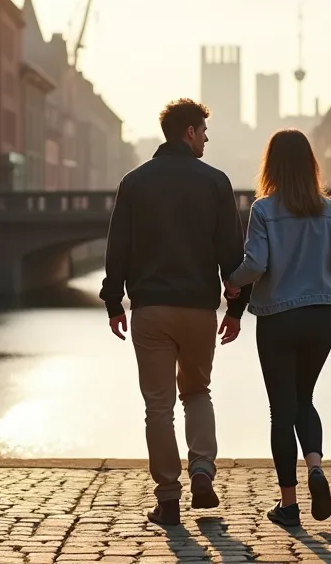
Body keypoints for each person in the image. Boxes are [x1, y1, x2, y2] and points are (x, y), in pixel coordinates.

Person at [99, 97, 252, 526]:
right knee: (198, 391)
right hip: (199, 310)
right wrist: (236, 307)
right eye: (203, 131)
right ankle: (202, 469)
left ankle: (168, 497)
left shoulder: (134, 182)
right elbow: (231, 255)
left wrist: (114, 302)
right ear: (189, 132)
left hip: (150, 311)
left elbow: (119, 249)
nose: (206, 138)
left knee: (158, 406)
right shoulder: (216, 182)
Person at [222, 128, 331, 527]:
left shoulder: (263, 210)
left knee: (281, 410)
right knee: (305, 399)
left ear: (272, 165)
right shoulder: (330, 211)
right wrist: (322, 268)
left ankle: (289, 506)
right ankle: (315, 466)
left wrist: (233, 280)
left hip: (278, 318)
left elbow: (256, 264)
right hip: (319, 319)